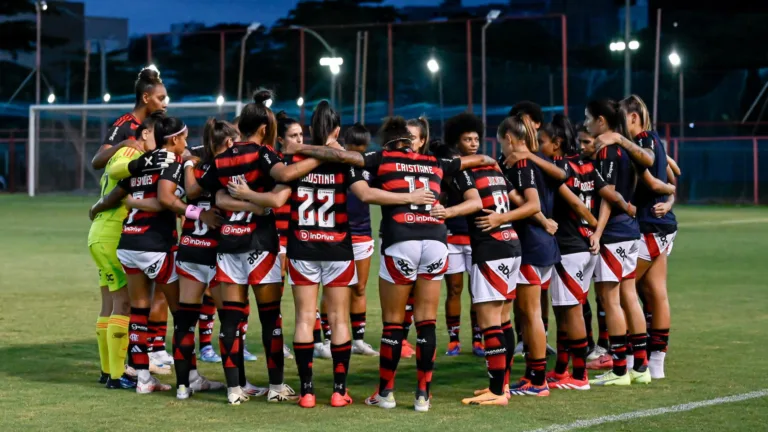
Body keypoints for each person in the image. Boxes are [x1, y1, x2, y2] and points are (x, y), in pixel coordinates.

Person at [289, 115, 496, 412]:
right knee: (426, 321)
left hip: (402, 240)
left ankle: (386, 392)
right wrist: (451, 210)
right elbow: (472, 173)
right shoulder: (436, 162)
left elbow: (341, 156)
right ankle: (423, 396)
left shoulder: (383, 158)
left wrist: (303, 147)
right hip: (437, 243)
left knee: (393, 322)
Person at [203, 90, 323, 405]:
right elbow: (284, 176)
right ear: (262, 127)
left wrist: (223, 199)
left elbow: (200, 189)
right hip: (259, 243)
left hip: (228, 243)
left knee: (230, 319)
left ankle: (233, 390)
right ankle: (276, 386)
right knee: (270, 318)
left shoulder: (222, 158)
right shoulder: (262, 153)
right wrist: (319, 154)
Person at [430, 113, 528, 406]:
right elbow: (517, 201)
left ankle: (497, 392)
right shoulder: (493, 168)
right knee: (503, 320)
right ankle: (504, 385)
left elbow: (475, 202)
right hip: (511, 244)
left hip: (491, 247)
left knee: (489, 324)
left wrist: (448, 211)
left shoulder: (463, 172)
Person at [91, 66, 176, 373]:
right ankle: (126, 364)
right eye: (161, 97)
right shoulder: (127, 127)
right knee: (130, 299)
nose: (165, 102)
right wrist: (124, 146)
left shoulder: (156, 127)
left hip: (133, 220)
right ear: (146, 97)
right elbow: (100, 162)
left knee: (135, 296)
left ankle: (141, 354)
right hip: (122, 221)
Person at [487, 114, 558, 397]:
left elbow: (532, 204)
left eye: (500, 141)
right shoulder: (530, 162)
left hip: (531, 245)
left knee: (530, 315)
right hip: (540, 244)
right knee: (529, 314)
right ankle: (533, 374)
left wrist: (499, 218)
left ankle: (538, 380)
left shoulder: (524, 164)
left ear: (508, 138)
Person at [584, 99, 650, 386]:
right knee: (629, 297)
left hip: (614, 234)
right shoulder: (625, 149)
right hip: (632, 231)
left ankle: (621, 369)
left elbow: (608, 195)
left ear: (601, 121)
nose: (585, 124)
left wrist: (597, 232)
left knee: (611, 300)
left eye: (588, 119)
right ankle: (641, 367)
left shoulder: (608, 150)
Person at [619, 95, 677, 379]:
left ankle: (633, 359)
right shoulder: (655, 138)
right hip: (664, 224)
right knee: (656, 291)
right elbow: (672, 172)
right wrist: (670, 196)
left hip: (650, 225)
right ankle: (656, 363)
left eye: (621, 119)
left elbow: (655, 180)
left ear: (633, 117)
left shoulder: (642, 142)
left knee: (623, 289)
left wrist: (664, 193)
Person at [434, 114, 484, 357]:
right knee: (454, 289)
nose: (473, 143)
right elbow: (440, 198)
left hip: (477, 235)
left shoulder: (482, 167)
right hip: (453, 235)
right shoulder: (449, 167)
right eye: (467, 139)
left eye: (476, 139)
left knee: (477, 290)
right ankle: (454, 339)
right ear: (457, 141)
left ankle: (478, 338)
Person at [343, 123, 380, 357]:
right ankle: (327, 340)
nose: (357, 154)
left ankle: (358, 340)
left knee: (359, 288)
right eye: (353, 149)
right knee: (334, 289)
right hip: (336, 234)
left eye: (362, 150)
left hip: (362, 233)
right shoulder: (336, 166)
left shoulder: (370, 168)